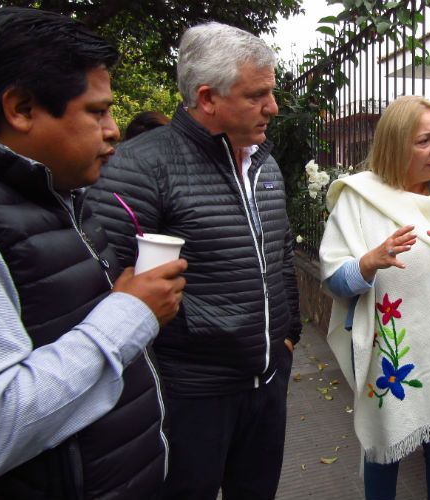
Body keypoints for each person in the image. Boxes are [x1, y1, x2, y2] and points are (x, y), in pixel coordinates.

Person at [87, 22, 301, 500]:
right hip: (190, 396)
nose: (273, 107)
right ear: (207, 98)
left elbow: (282, 251)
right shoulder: (139, 167)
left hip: (266, 383)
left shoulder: (264, 161)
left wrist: (288, 338)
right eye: (257, 95)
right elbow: (104, 283)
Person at [0, 7, 187, 499]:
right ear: (20, 109)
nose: (113, 130)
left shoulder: (62, 197)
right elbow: (3, 422)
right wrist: (132, 313)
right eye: (97, 111)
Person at [319, 95, 430, 500]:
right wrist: (368, 263)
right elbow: (333, 279)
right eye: (423, 140)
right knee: (384, 450)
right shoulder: (360, 197)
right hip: (391, 352)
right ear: (396, 143)